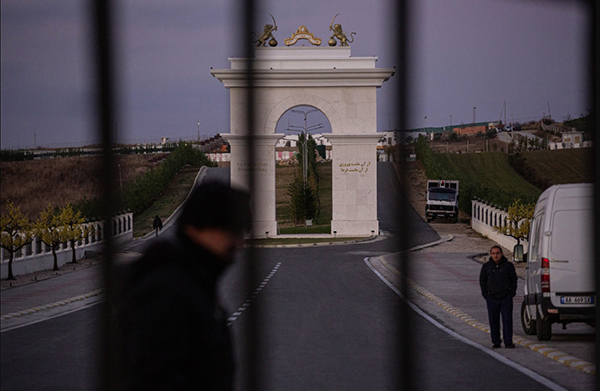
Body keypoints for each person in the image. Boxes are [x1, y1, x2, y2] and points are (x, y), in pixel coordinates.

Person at [113, 181, 251, 390]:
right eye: (230, 232)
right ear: (195, 229)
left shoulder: (193, 280)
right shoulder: (164, 293)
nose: (239, 243)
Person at [479, 245, 518, 349]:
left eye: (497, 253)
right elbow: (482, 281)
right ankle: (496, 341)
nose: (496, 255)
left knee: (507, 320)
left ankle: (508, 342)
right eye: (493, 253)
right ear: (491, 254)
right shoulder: (486, 267)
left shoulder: (508, 266)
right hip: (492, 298)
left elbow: (513, 280)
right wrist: (485, 294)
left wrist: (511, 293)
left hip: (505, 298)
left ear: (501, 254)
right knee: (493, 321)